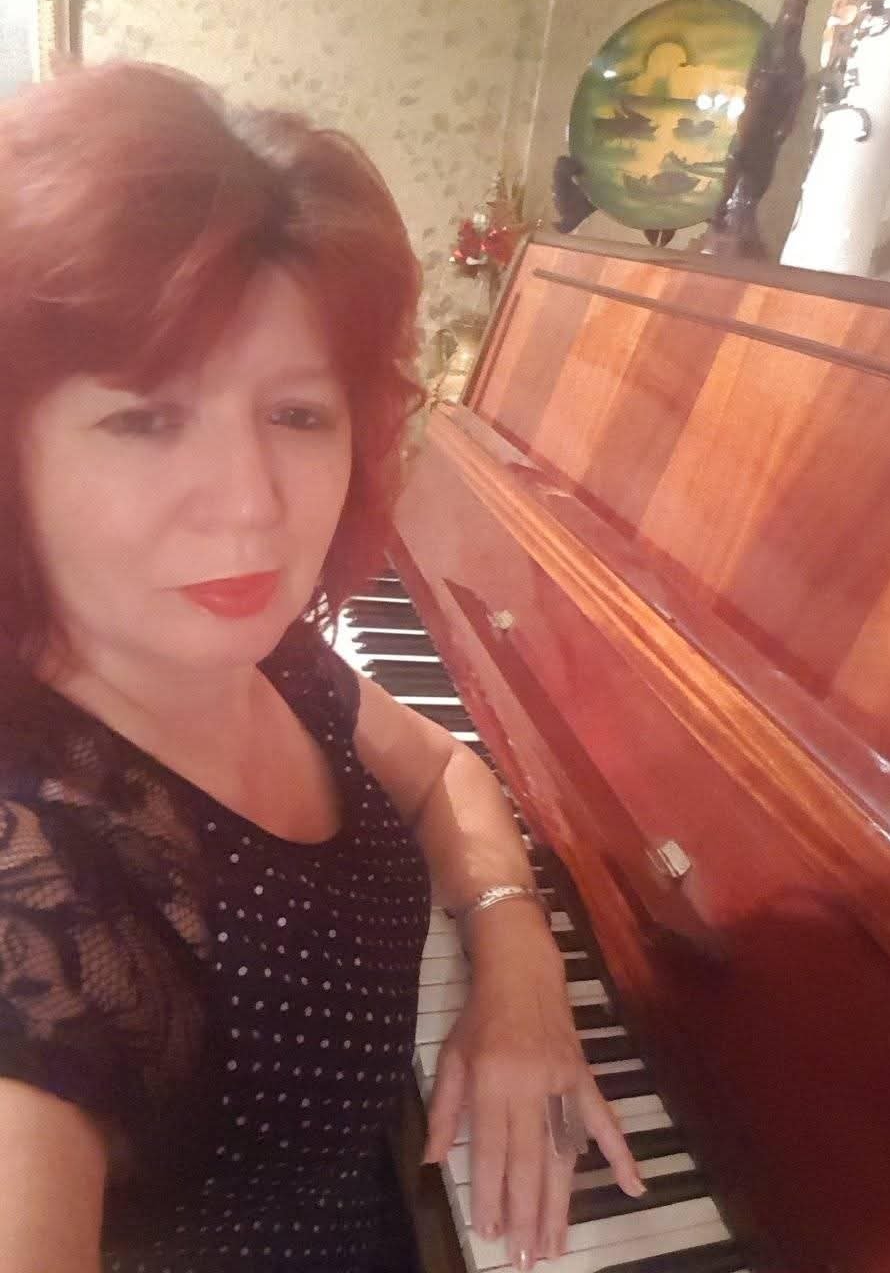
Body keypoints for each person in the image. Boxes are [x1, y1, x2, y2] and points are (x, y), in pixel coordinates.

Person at [0, 62, 643, 1273]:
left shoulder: (270, 653)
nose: (251, 508)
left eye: (297, 413)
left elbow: (442, 769)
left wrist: (515, 959)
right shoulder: (43, 885)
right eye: (146, 418)